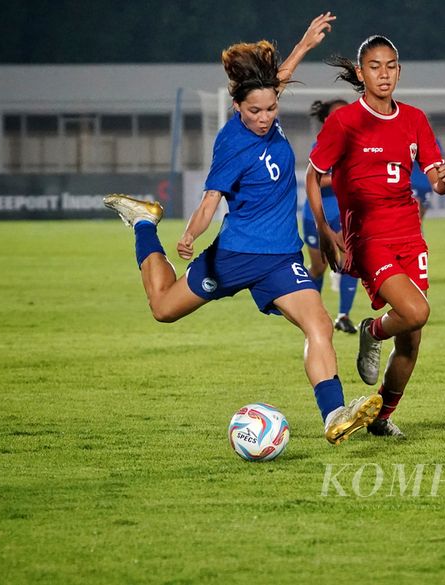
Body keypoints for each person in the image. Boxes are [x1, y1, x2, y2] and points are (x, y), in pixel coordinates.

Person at [103, 12, 383, 446]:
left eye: (272, 108)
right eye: (255, 111)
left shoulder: (268, 107)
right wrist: (191, 235)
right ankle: (143, 223)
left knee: (320, 325)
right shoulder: (233, 143)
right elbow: (210, 201)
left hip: (281, 257)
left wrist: (306, 43)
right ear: (238, 107)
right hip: (233, 257)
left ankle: (334, 416)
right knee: (162, 307)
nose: (266, 117)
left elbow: (280, 78)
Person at [306, 34, 445, 439]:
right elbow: (313, 175)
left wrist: (443, 182)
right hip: (369, 237)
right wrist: (324, 228)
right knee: (417, 312)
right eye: (375, 66)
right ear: (361, 73)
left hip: (410, 234)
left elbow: (434, 178)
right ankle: (371, 332)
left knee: (411, 341)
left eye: (391, 65)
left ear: (399, 71)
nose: (384, 73)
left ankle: (382, 417)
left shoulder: (415, 119)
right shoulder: (344, 122)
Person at [303, 99, 359, 334]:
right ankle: (309, 312)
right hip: (317, 213)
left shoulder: (358, 143)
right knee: (318, 266)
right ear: (327, 120)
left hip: (344, 212)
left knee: (350, 261)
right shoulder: (323, 144)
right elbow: (315, 180)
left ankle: (343, 316)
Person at [409, 138, 442, 220]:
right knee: (417, 221)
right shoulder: (432, 139)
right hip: (425, 183)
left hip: (413, 181)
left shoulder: (405, 137)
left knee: (416, 221)